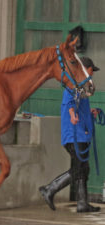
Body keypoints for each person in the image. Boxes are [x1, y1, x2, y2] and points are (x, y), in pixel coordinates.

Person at [39, 57, 101, 213]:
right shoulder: (73, 84)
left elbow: (79, 106)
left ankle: (82, 203)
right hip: (74, 135)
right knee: (79, 168)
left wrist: (91, 113)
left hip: (82, 135)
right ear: (84, 69)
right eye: (91, 70)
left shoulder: (83, 87)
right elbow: (69, 103)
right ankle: (50, 189)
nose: (92, 74)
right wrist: (72, 115)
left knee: (83, 168)